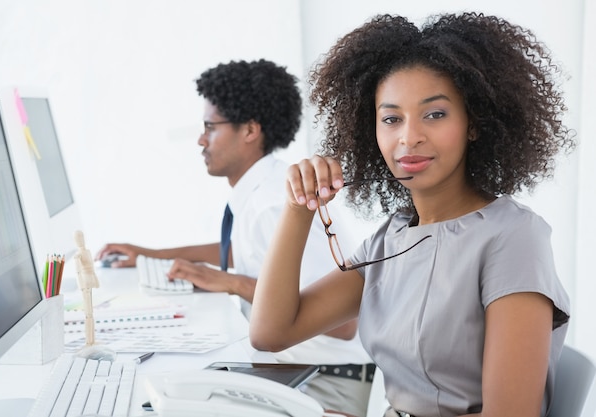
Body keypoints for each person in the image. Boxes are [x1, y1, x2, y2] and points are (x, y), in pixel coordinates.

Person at [249, 12, 575, 417]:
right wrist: (299, 209)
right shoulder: (392, 237)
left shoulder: (513, 237)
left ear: (474, 124)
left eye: (435, 114)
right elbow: (270, 333)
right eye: (391, 119)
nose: (409, 137)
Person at [95, 59, 375, 416]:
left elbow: (344, 323)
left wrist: (230, 283)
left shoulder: (274, 203)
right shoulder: (260, 190)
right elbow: (241, 251)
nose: (201, 139)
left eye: (210, 127)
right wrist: (152, 254)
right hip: (293, 373)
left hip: (327, 383)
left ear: (250, 131)